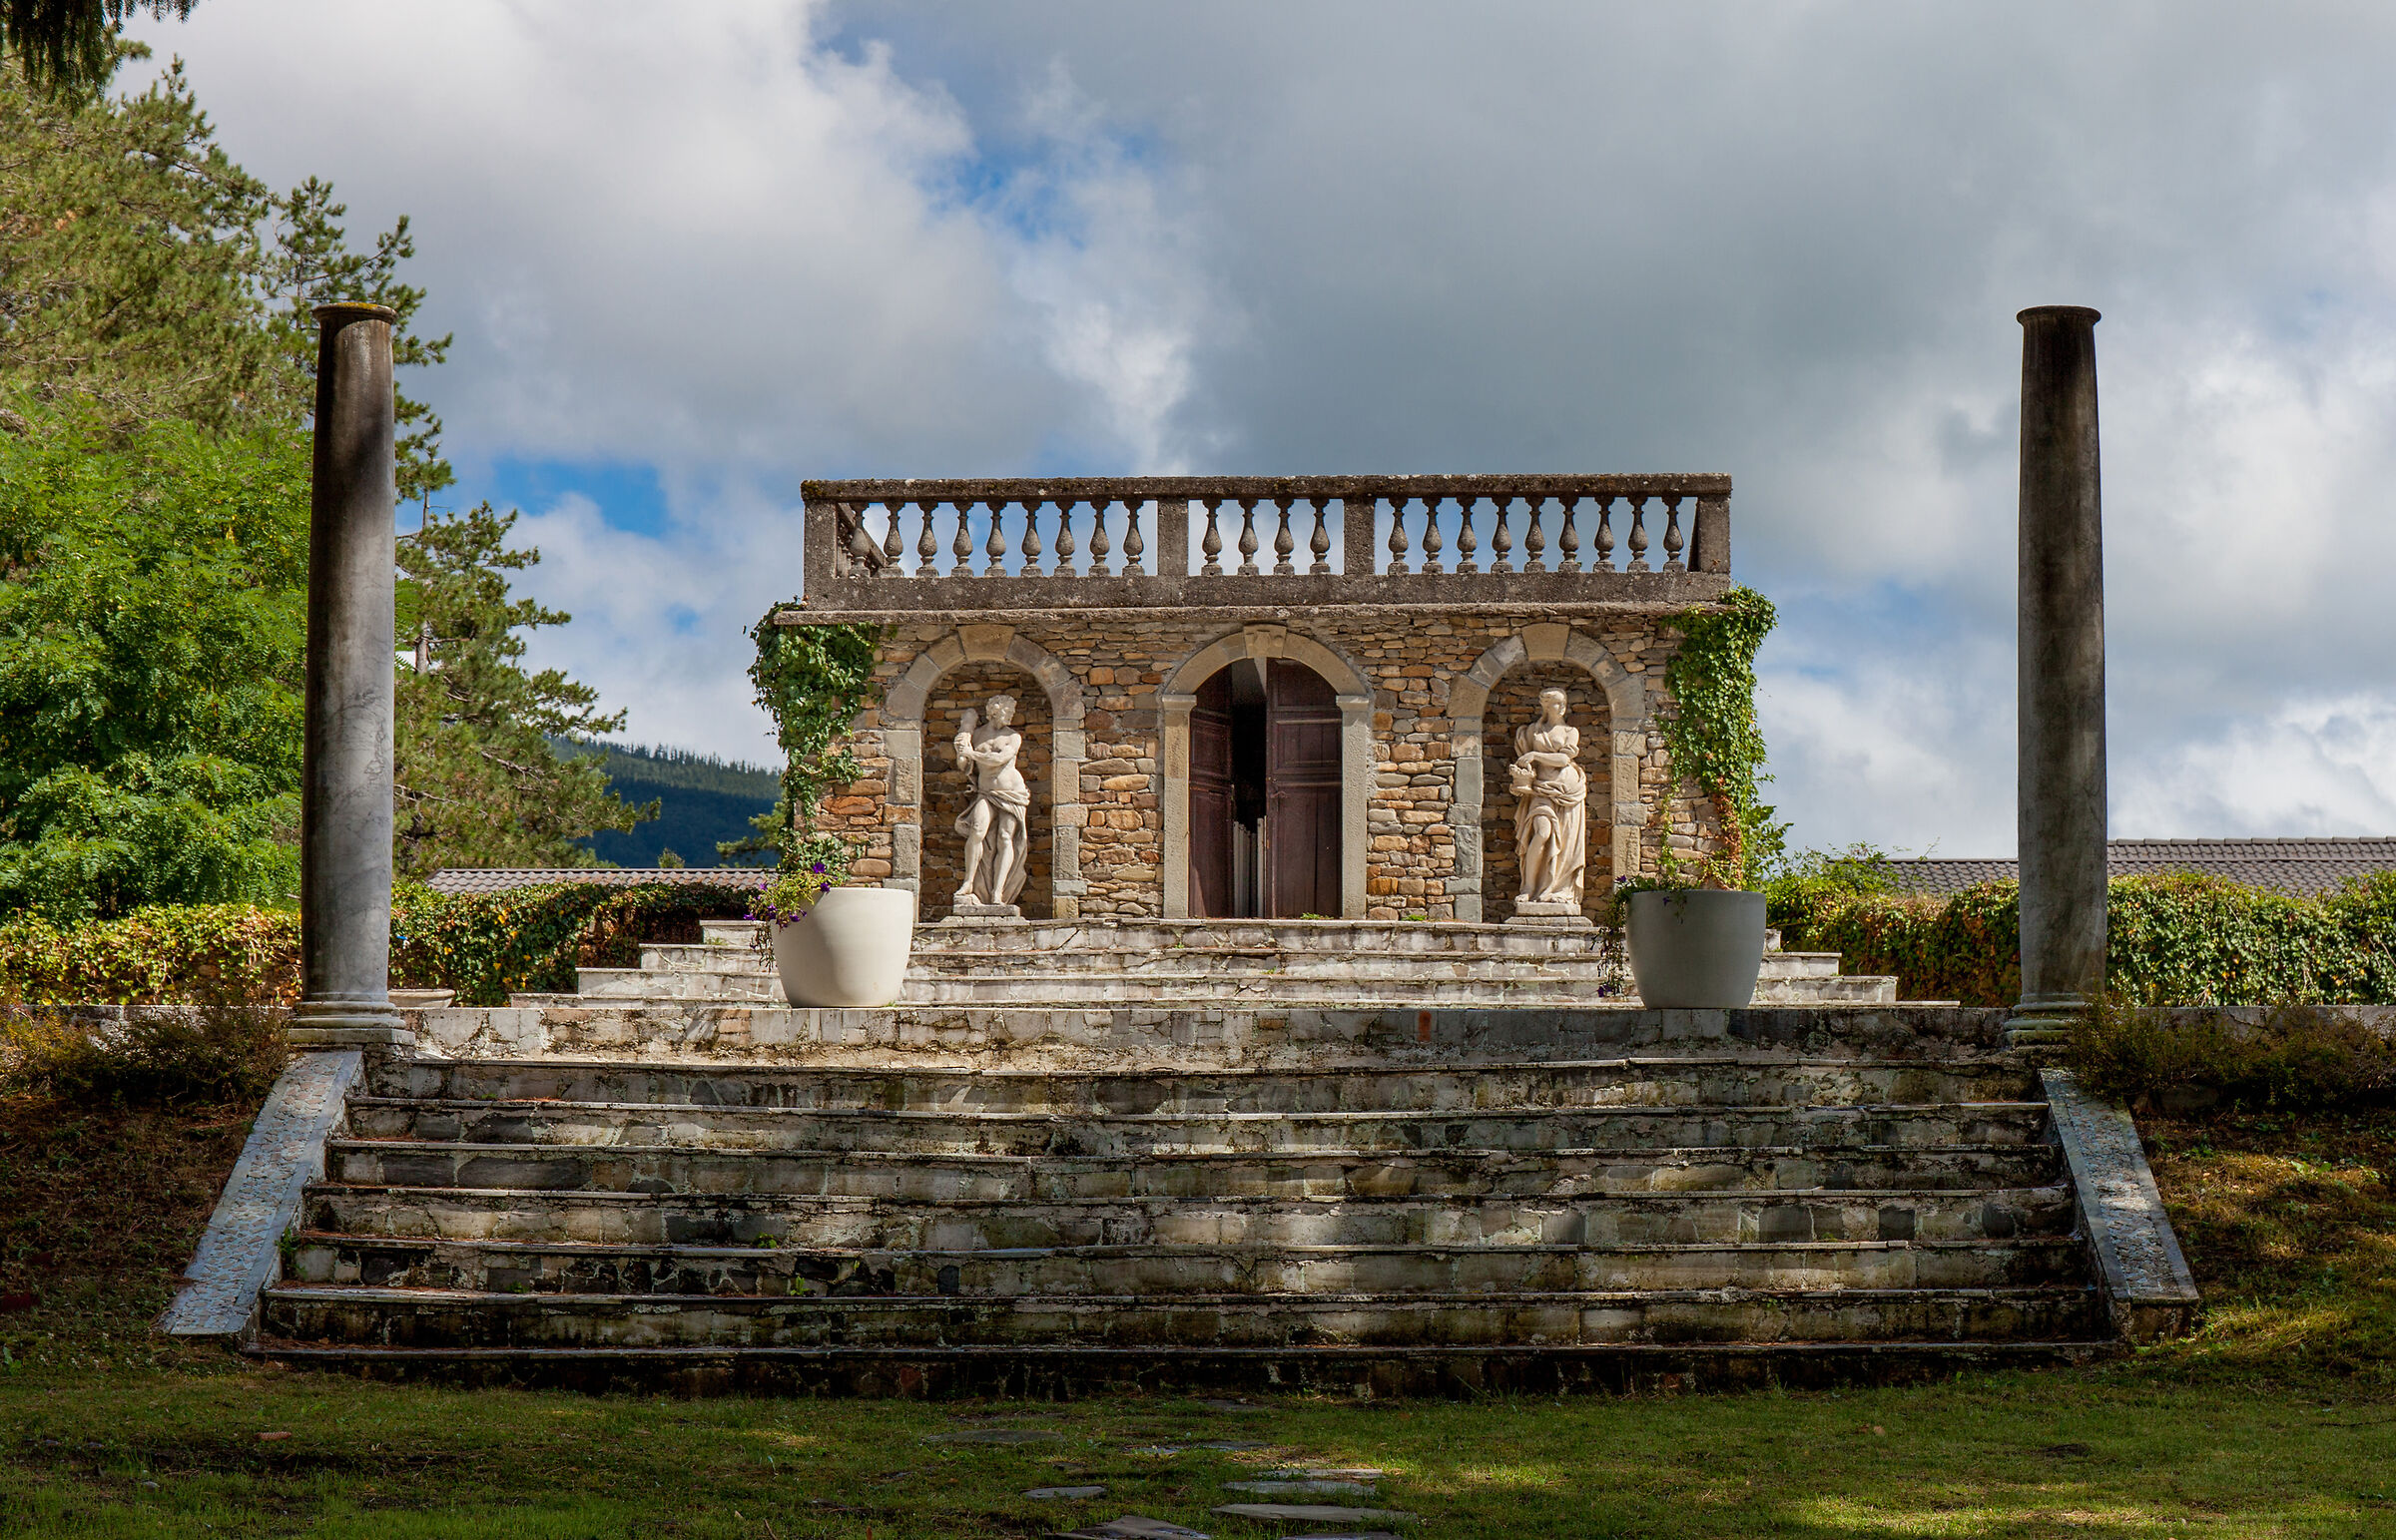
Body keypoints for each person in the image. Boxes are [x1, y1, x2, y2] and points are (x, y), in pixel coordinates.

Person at [1510, 687, 1588, 907]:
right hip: (1541, 789)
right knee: (1542, 832)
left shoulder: (1570, 732)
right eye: (1545, 702)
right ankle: (1529, 888)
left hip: (1569, 791)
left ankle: (1558, 889)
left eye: (1552, 702)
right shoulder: (1532, 731)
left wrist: (1535, 754)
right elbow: (1522, 761)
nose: (1548, 706)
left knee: (1566, 842)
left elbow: (1564, 760)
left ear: (1563, 706)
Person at [952, 694, 1030, 907]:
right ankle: (968, 883)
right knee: (977, 830)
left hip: (1011, 793)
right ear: (996, 711)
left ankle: (998, 893)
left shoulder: (1013, 736)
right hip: (985, 792)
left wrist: (972, 754)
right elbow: (964, 765)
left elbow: (999, 759)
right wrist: (961, 750)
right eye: (1009, 711)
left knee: (1005, 838)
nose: (1012, 716)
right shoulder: (976, 735)